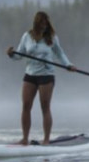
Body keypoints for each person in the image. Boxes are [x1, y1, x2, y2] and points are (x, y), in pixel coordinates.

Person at [7, 11, 75, 145]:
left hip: (46, 76)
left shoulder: (52, 37)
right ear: (36, 23)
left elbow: (59, 53)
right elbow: (19, 55)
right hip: (30, 75)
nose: (44, 26)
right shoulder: (27, 36)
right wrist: (11, 54)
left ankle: (46, 140)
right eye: (42, 23)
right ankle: (25, 139)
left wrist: (68, 65)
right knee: (26, 106)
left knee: (45, 107)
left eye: (46, 23)